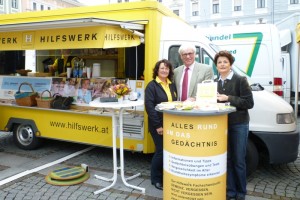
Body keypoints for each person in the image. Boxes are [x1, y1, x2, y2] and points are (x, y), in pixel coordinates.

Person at [213, 50, 254, 200]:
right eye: (219, 62)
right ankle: (230, 192)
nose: (222, 64)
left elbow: (249, 103)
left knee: (239, 160)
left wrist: (227, 98)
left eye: (225, 62)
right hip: (222, 126)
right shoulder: (215, 82)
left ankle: (241, 192)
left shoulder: (240, 80)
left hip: (239, 124)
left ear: (230, 64)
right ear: (216, 65)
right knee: (228, 159)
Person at [145, 59, 177, 191]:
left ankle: (164, 176)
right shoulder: (152, 86)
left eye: (167, 68)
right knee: (161, 151)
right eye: (162, 68)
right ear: (157, 70)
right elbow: (149, 107)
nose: (164, 70)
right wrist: (158, 126)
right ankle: (156, 179)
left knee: (167, 151)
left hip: (170, 124)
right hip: (157, 125)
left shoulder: (171, 85)